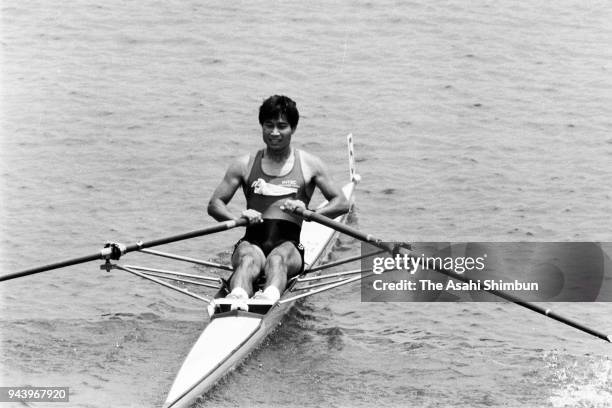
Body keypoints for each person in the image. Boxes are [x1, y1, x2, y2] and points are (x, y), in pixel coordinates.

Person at [207, 95, 349, 307]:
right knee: (246, 259)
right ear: (262, 127)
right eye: (269, 125)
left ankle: (268, 299)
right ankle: (237, 298)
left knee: (277, 259)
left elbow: (341, 203)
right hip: (252, 242)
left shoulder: (310, 164)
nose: (274, 132)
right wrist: (238, 217)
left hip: (289, 246)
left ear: (292, 129)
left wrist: (308, 214)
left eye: (282, 126)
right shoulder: (243, 164)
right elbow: (215, 204)